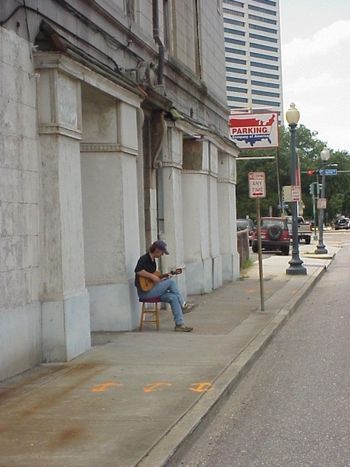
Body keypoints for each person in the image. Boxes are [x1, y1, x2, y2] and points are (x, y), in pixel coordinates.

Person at [135, 240, 193, 332]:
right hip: (144, 292)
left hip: (152, 289)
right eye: (162, 252)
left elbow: (154, 280)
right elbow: (138, 271)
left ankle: (179, 324)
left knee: (173, 297)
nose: (162, 255)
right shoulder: (144, 258)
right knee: (171, 283)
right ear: (157, 250)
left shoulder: (153, 262)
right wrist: (152, 276)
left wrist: (162, 278)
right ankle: (183, 305)